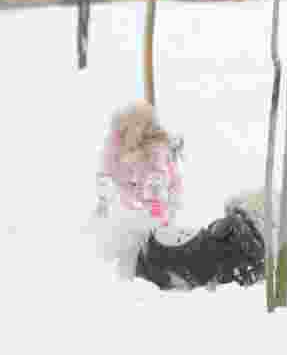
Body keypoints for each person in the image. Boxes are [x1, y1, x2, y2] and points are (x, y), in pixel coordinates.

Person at [92, 101, 266, 290]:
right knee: (203, 247)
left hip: (154, 238)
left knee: (204, 243)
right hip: (147, 240)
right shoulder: (126, 170)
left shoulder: (151, 162)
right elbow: (147, 198)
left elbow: (164, 193)